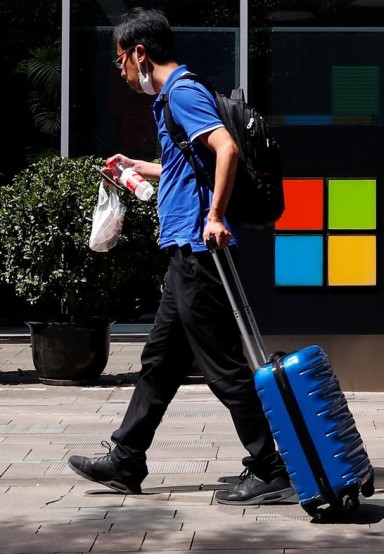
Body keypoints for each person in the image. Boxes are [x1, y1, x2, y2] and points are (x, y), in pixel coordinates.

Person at [68, 7, 292, 506]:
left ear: (140, 53)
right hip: (183, 252)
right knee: (159, 361)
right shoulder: (172, 98)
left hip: (198, 250)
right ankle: (127, 459)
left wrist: (215, 216)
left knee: (222, 365)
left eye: (120, 61)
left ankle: (271, 467)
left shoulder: (183, 93)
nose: (121, 72)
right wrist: (136, 166)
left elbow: (226, 149)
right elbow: (184, 167)